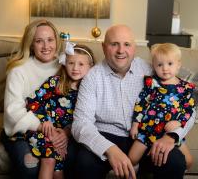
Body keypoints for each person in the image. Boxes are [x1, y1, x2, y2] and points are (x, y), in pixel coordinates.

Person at [71, 25, 196, 179]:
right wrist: (110, 149)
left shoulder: (151, 70)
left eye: (127, 44)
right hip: (107, 136)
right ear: (104, 47)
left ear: (134, 48)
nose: (121, 50)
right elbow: (80, 124)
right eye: (114, 44)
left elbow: (188, 109)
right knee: (84, 163)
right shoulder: (92, 77)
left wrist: (172, 136)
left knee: (174, 161)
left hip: (148, 136)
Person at [1, 19, 62, 179]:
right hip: (21, 132)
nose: (46, 46)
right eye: (39, 41)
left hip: (55, 131)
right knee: (31, 167)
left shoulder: (65, 67)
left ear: (57, 41)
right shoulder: (18, 70)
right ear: (31, 44)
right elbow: (13, 111)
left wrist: (64, 133)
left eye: (50, 40)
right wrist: (42, 127)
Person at [26, 43, 95, 179]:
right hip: (44, 131)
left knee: (58, 171)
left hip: (67, 135)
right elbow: (32, 101)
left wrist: (66, 133)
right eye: (71, 63)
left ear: (90, 67)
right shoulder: (54, 82)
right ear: (64, 64)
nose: (75, 68)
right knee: (50, 160)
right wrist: (45, 121)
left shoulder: (90, 90)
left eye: (81, 64)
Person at [129, 43, 195, 171]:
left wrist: (179, 122)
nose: (165, 68)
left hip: (170, 132)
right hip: (148, 129)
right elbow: (140, 103)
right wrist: (135, 124)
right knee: (132, 158)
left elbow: (189, 109)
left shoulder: (186, 88)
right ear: (154, 66)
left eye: (170, 64)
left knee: (189, 161)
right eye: (160, 65)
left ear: (178, 65)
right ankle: (138, 170)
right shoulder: (151, 83)